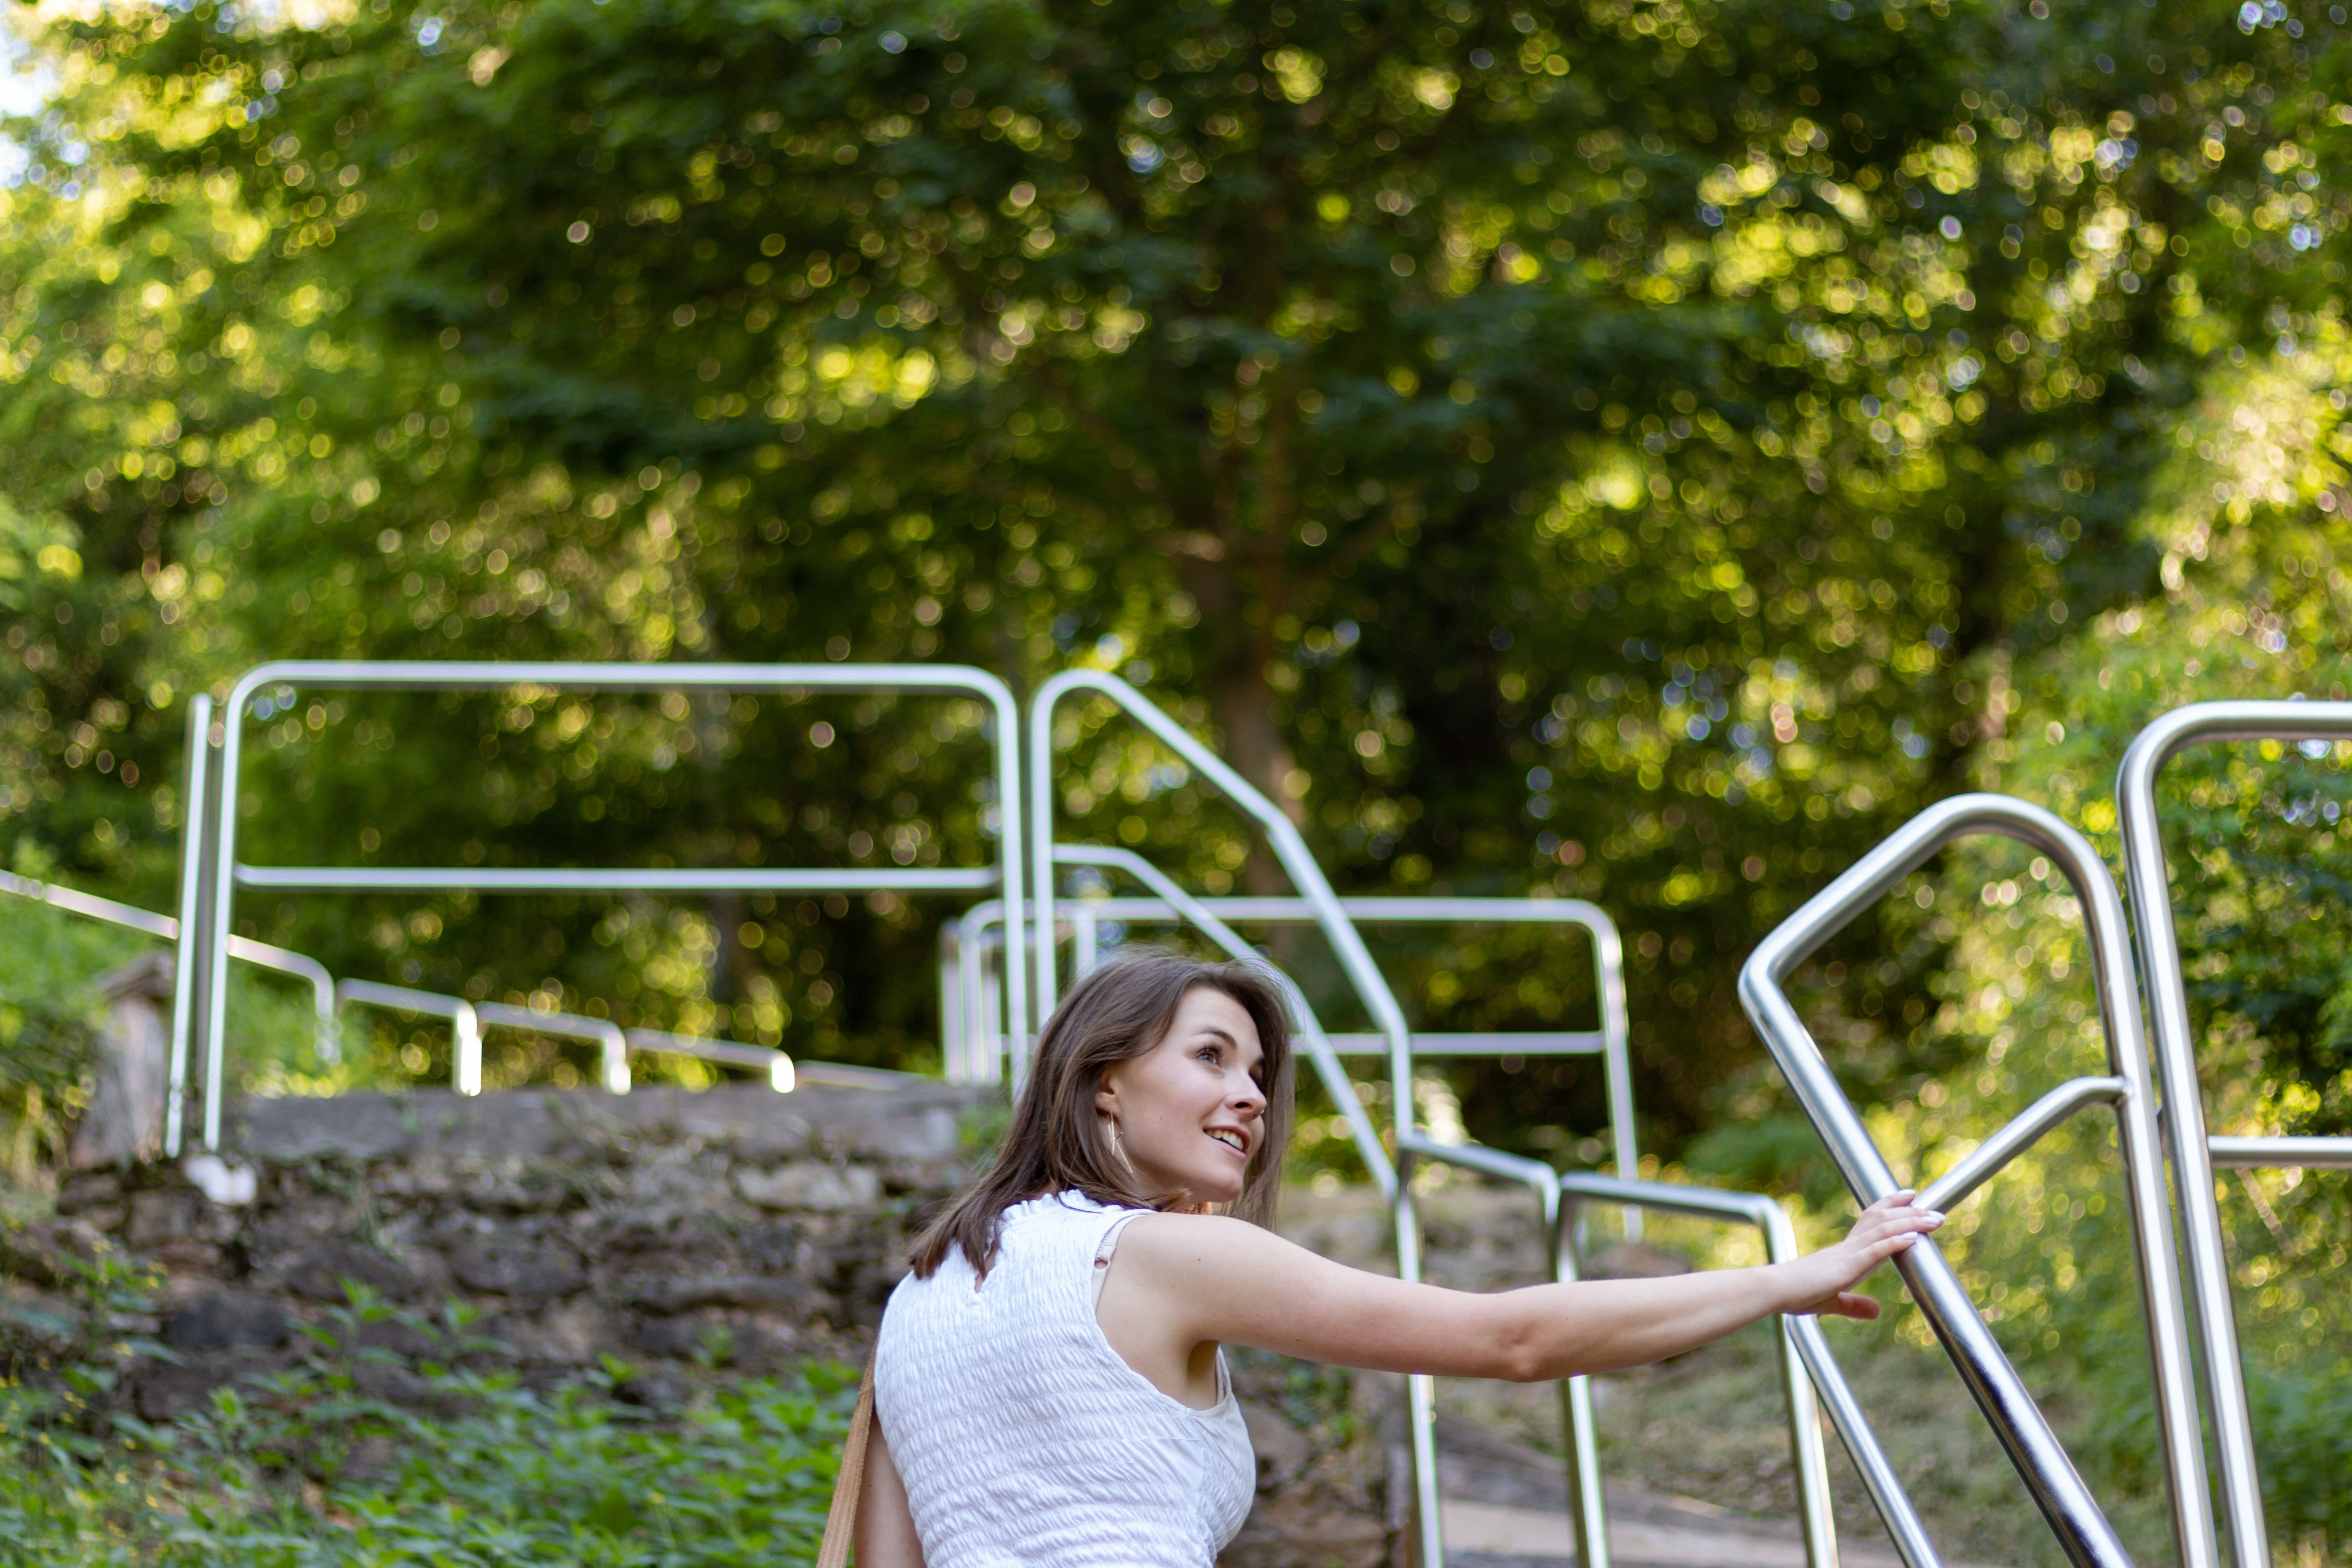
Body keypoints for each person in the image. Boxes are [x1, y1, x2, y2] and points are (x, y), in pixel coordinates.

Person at [857, 952, 1941, 1567]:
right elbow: (1510, 1340)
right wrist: (1786, 1278)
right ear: (1104, 1081)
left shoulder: (925, 1288)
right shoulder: (1159, 1255)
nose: (1250, 1097)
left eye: (1259, 1074)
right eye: (1211, 1057)